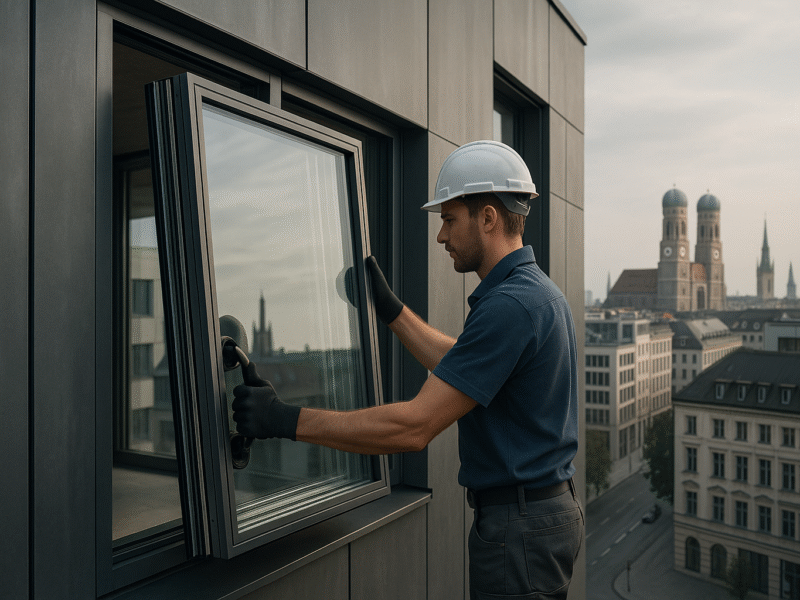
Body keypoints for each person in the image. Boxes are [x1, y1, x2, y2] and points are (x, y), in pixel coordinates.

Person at [232, 140, 583, 600]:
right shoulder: (537, 293)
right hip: (540, 517)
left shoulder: (510, 306)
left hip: (520, 529)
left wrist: (283, 419)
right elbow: (465, 369)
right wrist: (392, 310)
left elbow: (414, 426)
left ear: (489, 218)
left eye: (449, 220)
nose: (441, 236)